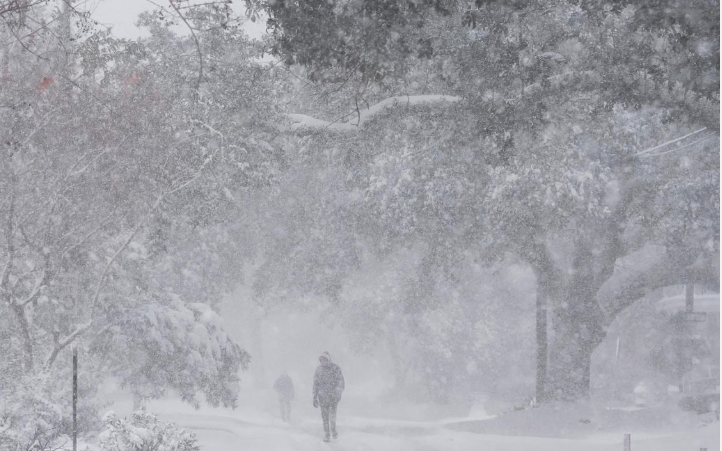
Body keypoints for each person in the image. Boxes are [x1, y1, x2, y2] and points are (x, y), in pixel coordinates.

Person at [312, 351, 345, 442]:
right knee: (325, 416)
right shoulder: (318, 370)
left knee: (332, 415)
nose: (323, 361)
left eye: (325, 359)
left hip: (333, 397)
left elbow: (341, 382)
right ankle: (327, 434)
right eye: (321, 359)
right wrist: (314, 397)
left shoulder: (335, 368)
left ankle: (333, 430)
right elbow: (315, 384)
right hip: (322, 397)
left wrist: (338, 393)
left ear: (328, 359)